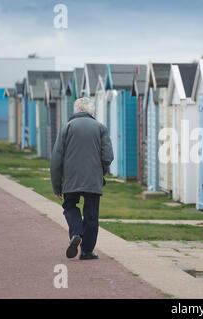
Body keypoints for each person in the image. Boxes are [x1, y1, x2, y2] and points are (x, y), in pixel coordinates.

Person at [50, 97, 113, 260]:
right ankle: (86, 251)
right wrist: (101, 172)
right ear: (91, 112)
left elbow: (56, 160)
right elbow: (108, 157)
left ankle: (76, 232)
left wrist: (57, 186)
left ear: (75, 111)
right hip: (93, 180)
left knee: (70, 205)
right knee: (91, 213)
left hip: (70, 180)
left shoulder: (66, 128)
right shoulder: (101, 128)